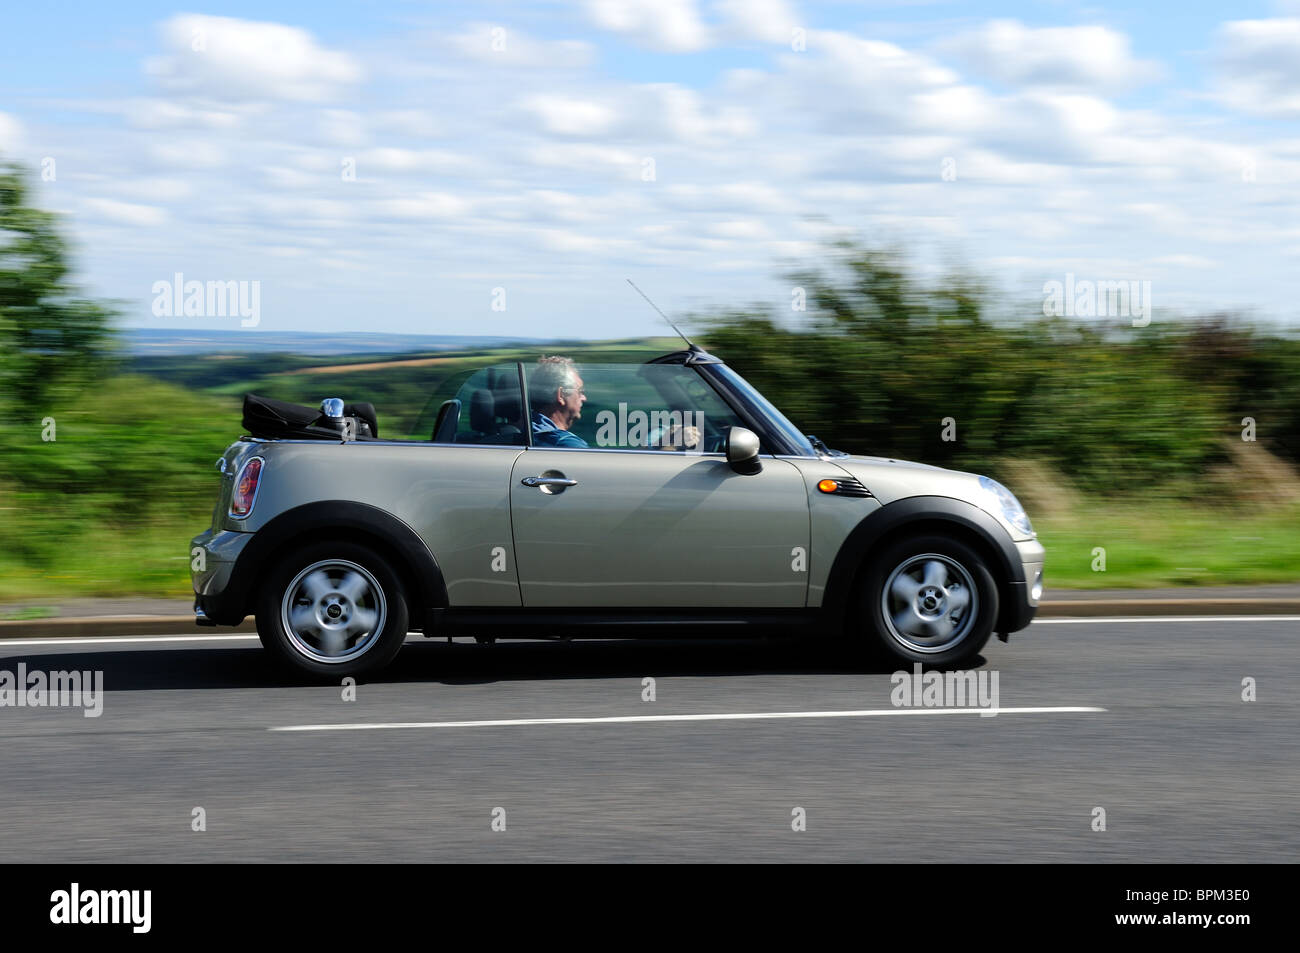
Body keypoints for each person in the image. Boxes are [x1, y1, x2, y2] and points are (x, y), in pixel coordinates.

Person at [530, 356, 589, 448]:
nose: (584, 398)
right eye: (580, 391)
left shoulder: (525, 432)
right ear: (561, 395)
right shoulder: (568, 445)